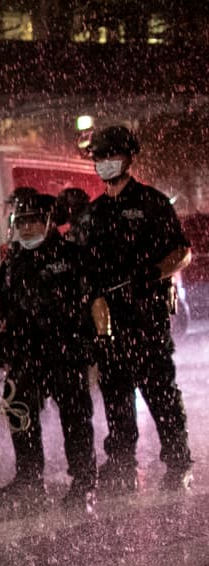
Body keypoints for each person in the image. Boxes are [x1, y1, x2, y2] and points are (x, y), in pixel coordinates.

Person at [84, 125, 193, 492]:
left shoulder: (152, 202)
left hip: (146, 318)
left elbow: (183, 251)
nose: (104, 163)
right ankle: (120, 465)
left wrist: (157, 271)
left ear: (130, 158)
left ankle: (178, 462)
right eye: (99, 157)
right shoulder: (93, 212)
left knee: (161, 393)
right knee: (116, 397)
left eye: (111, 156)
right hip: (108, 322)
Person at [0, 192, 102, 510]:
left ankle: (84, 481)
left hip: (65, 350)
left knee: (75, 417)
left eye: (34, 220)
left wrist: (103, 338)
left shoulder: (73, 256)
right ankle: (29, 477)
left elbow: (95, 300)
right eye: (22, 221)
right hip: (23, 352)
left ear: (49, 222)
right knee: (20, 414)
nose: (28, 226)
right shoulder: (13, 262)